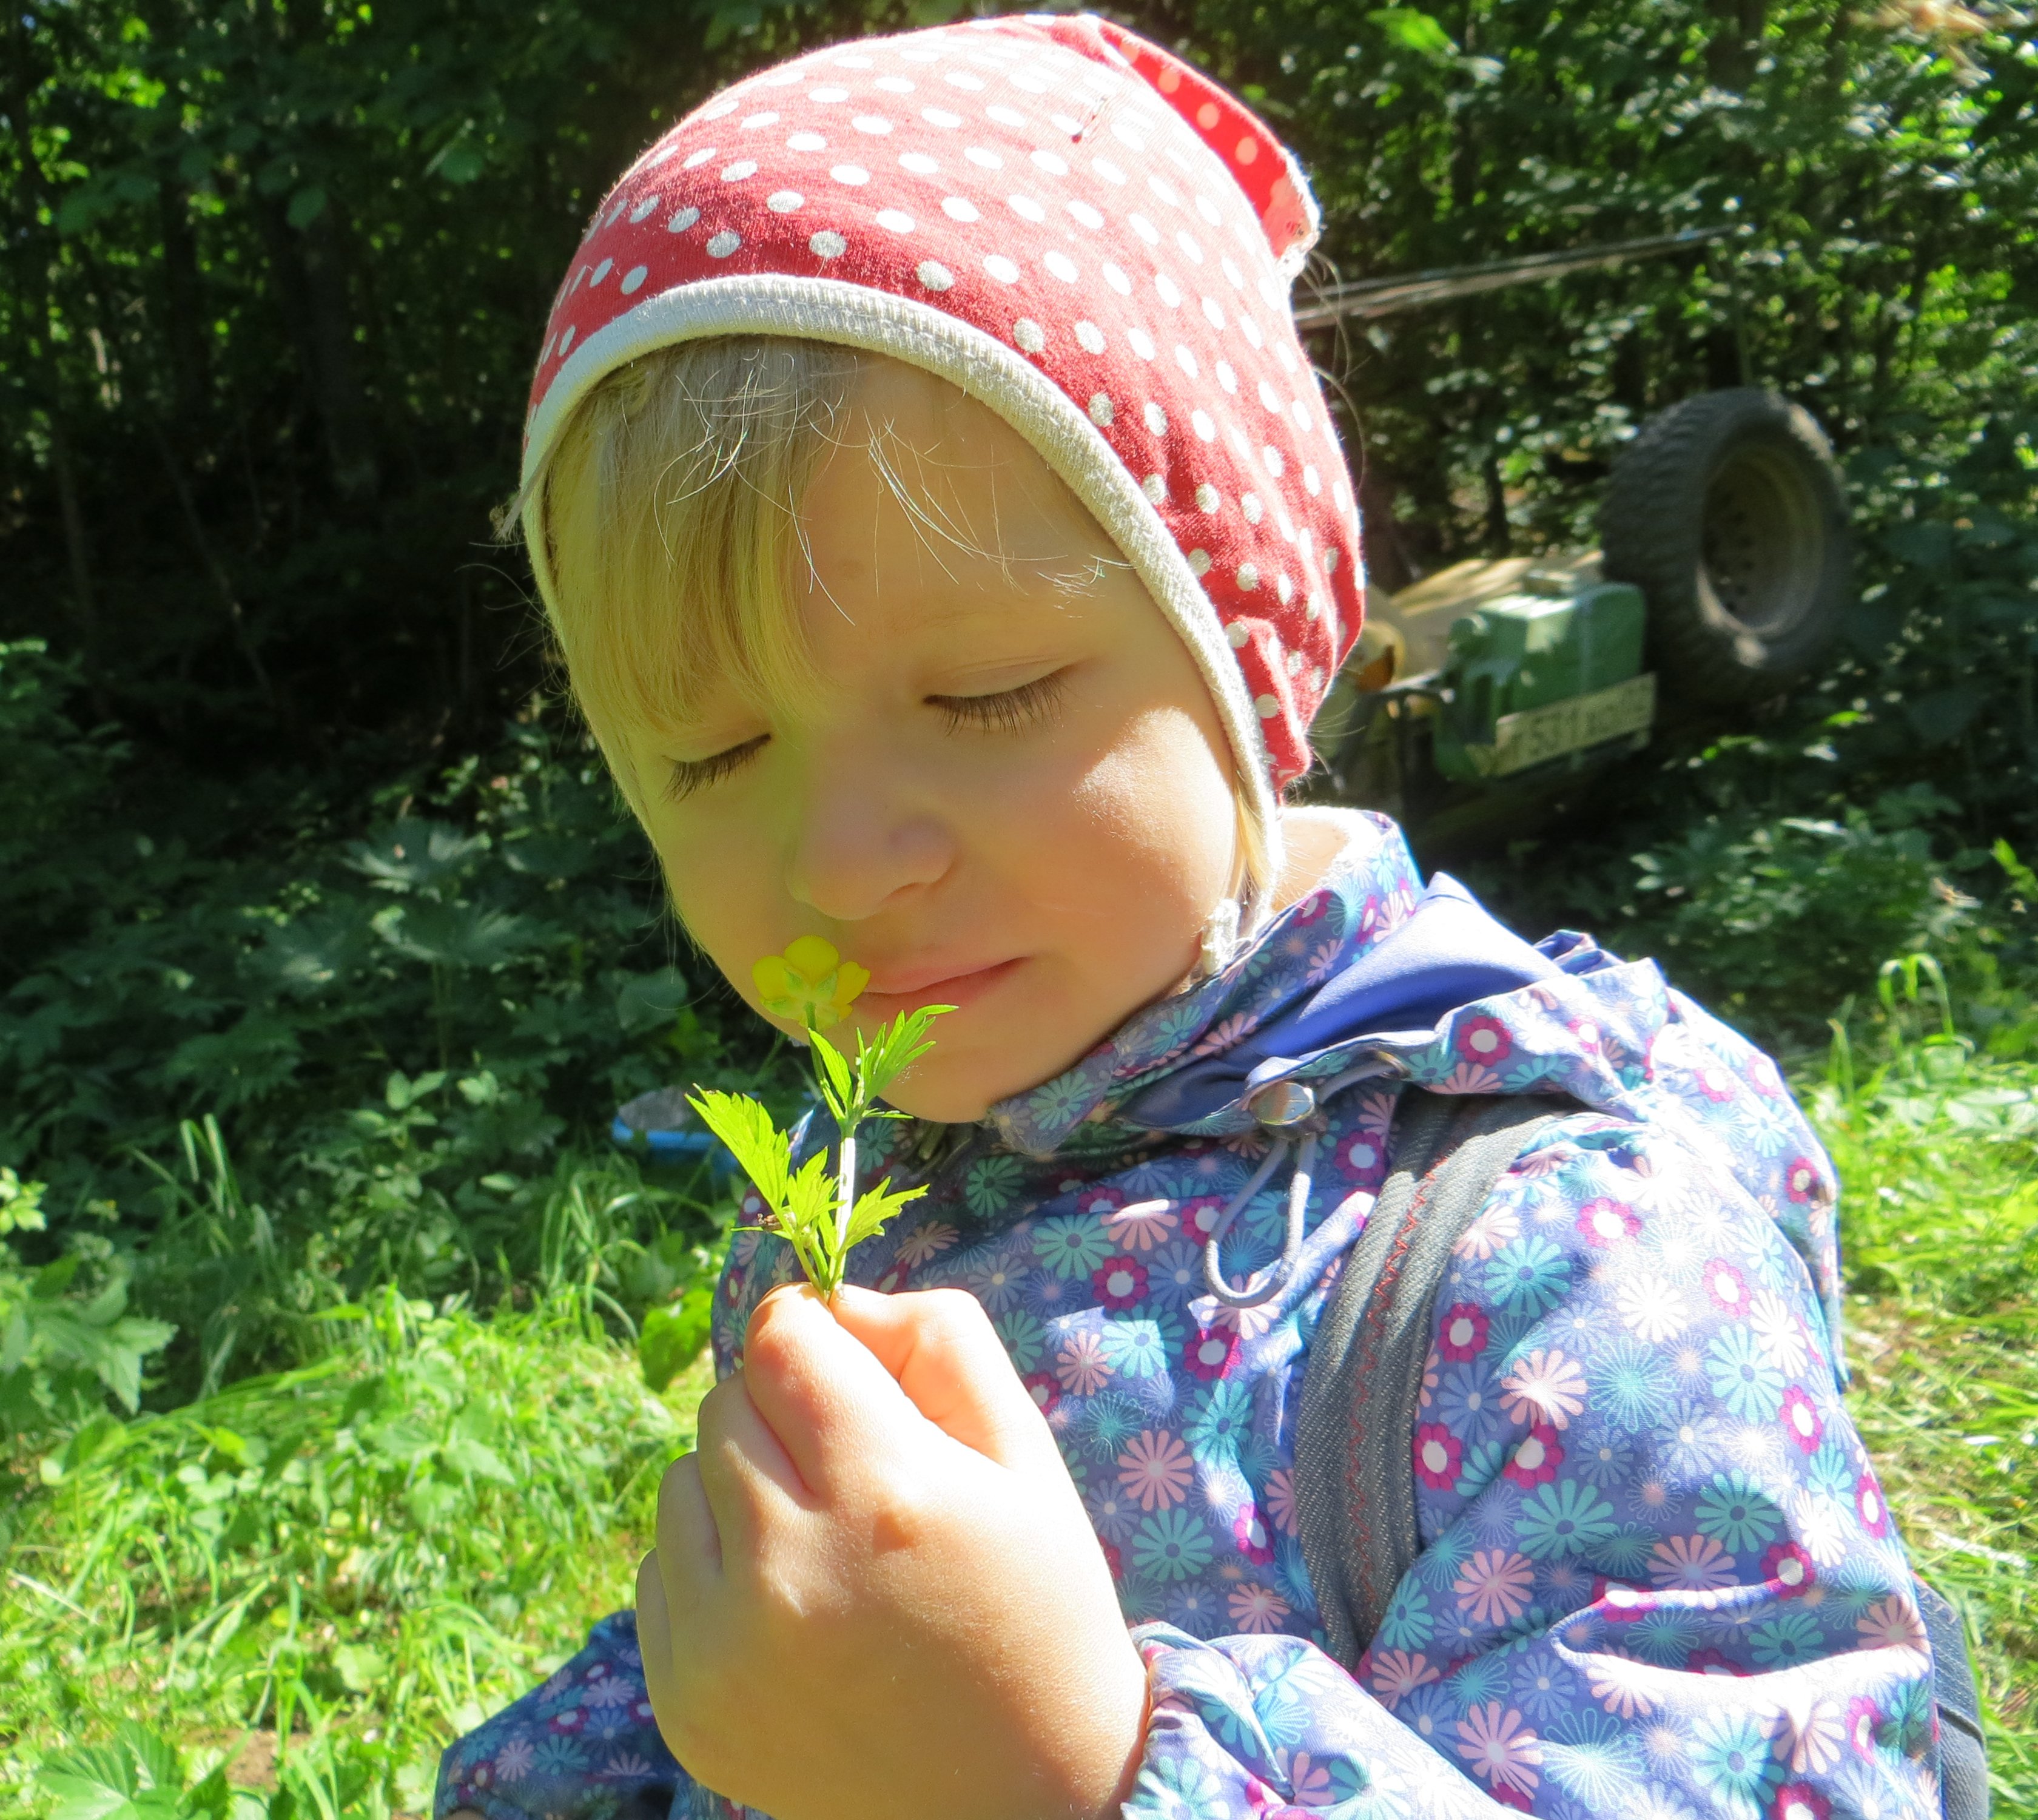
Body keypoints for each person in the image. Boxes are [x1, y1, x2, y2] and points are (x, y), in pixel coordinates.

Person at [437, 15, 1938, 1819]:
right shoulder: (870, 1185)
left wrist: (1067, 1773)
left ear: (1242, 639)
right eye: (711, 753)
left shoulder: (1559, 1264)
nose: (839, 863)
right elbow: (746, 1662)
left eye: (986, 695)